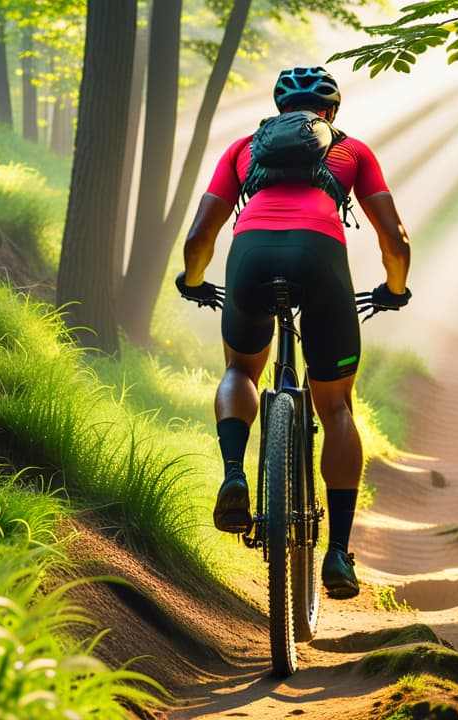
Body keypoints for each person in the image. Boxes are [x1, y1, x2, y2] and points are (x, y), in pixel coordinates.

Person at [176, 66, 412, 600]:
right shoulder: (353, 152)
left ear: (278, 110)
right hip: (321, 258)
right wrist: (394, 290)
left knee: (240, 369)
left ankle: (235, 474)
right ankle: (338, 553)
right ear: (331, 112)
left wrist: (193, 281)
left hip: (251, 254)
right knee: (337, 409)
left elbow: (199, 236)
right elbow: (394, 239)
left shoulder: (244, 150)